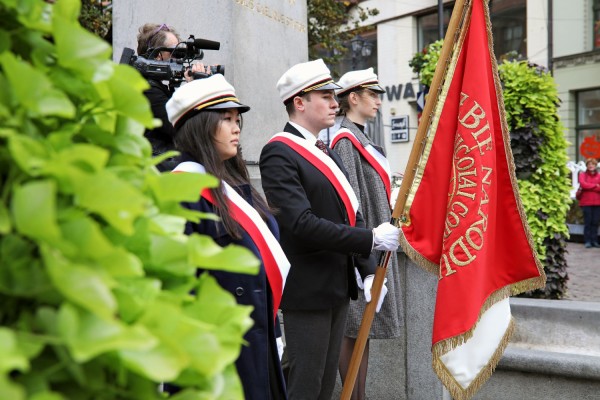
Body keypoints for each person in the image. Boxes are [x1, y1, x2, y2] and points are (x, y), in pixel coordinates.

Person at [259, 59, 400, 400]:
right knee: (306, 385)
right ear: (299, 102)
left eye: (334, 95)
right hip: (307, 291)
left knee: (324, 387)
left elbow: (353, 212)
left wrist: (367, 271)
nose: (335, 103)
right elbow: (301, 223)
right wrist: (370, 239)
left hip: (338, 287)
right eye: (325, 95)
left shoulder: (323, 149)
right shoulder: (279, 152)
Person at [165, 74, 288, 399]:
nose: (237, 128)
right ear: (200, 127)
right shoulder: (180, 192)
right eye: (226, 120)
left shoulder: (235, 186)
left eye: (238, 120)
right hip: (216, 352)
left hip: (258, 337)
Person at [328, 68, 403, 400]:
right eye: (371, 95)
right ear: (353, 98)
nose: (378, 101)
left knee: (364, 329)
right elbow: (350, 202)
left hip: (375, 241)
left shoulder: (363, 139)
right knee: (354, 327)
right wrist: (366, 254)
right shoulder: (345, 140)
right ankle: (352, 396)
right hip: (362, 248)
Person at [136, 23, 207, 171]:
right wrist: (193, 88)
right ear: (158, 55)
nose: (179, 59)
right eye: (174, 53)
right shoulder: (147, 89)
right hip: (156, 169)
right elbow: (181, 128)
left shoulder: (158, 85)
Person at [578, 157, 600, 248]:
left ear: (595, 166)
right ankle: (587, 241)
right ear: (587, 166)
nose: (591, 166)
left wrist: (589, 187)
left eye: (593, 164)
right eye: (589, 164)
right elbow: (583, 184)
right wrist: (596, 185)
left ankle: (594, 241)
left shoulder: (599, 175)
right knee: (588, 222)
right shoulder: (582, 174)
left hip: (597, 203)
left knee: (595, 223)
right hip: (586, 202)